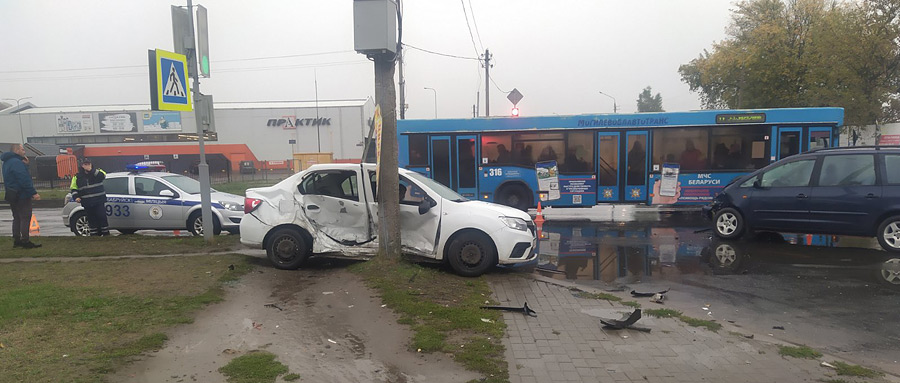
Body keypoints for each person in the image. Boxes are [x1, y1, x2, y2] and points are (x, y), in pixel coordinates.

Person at [2, 144, 41, 248]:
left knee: (16, 217)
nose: (24, 152)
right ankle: (25, 241)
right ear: (16, 150)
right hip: (21, 194)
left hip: (11, 194)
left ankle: (17, 240)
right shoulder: (16, 162)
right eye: (22, 149)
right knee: (25, 217)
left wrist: (25, 165)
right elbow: (23, 178)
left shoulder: (7, 162)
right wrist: (33, 192)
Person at [70, 158, 110, 236]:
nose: (87, 166)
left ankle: (105, 233)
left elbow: (102, 176)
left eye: (88, 164)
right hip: (87, 202)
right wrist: (76, 197)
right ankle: (94, 234)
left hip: (99, 200)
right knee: (91, 218)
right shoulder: (77, 177)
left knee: (101, 216)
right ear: (82, 166)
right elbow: (73, 188)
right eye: (85, 164)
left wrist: (91, 170)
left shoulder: (97, 171)